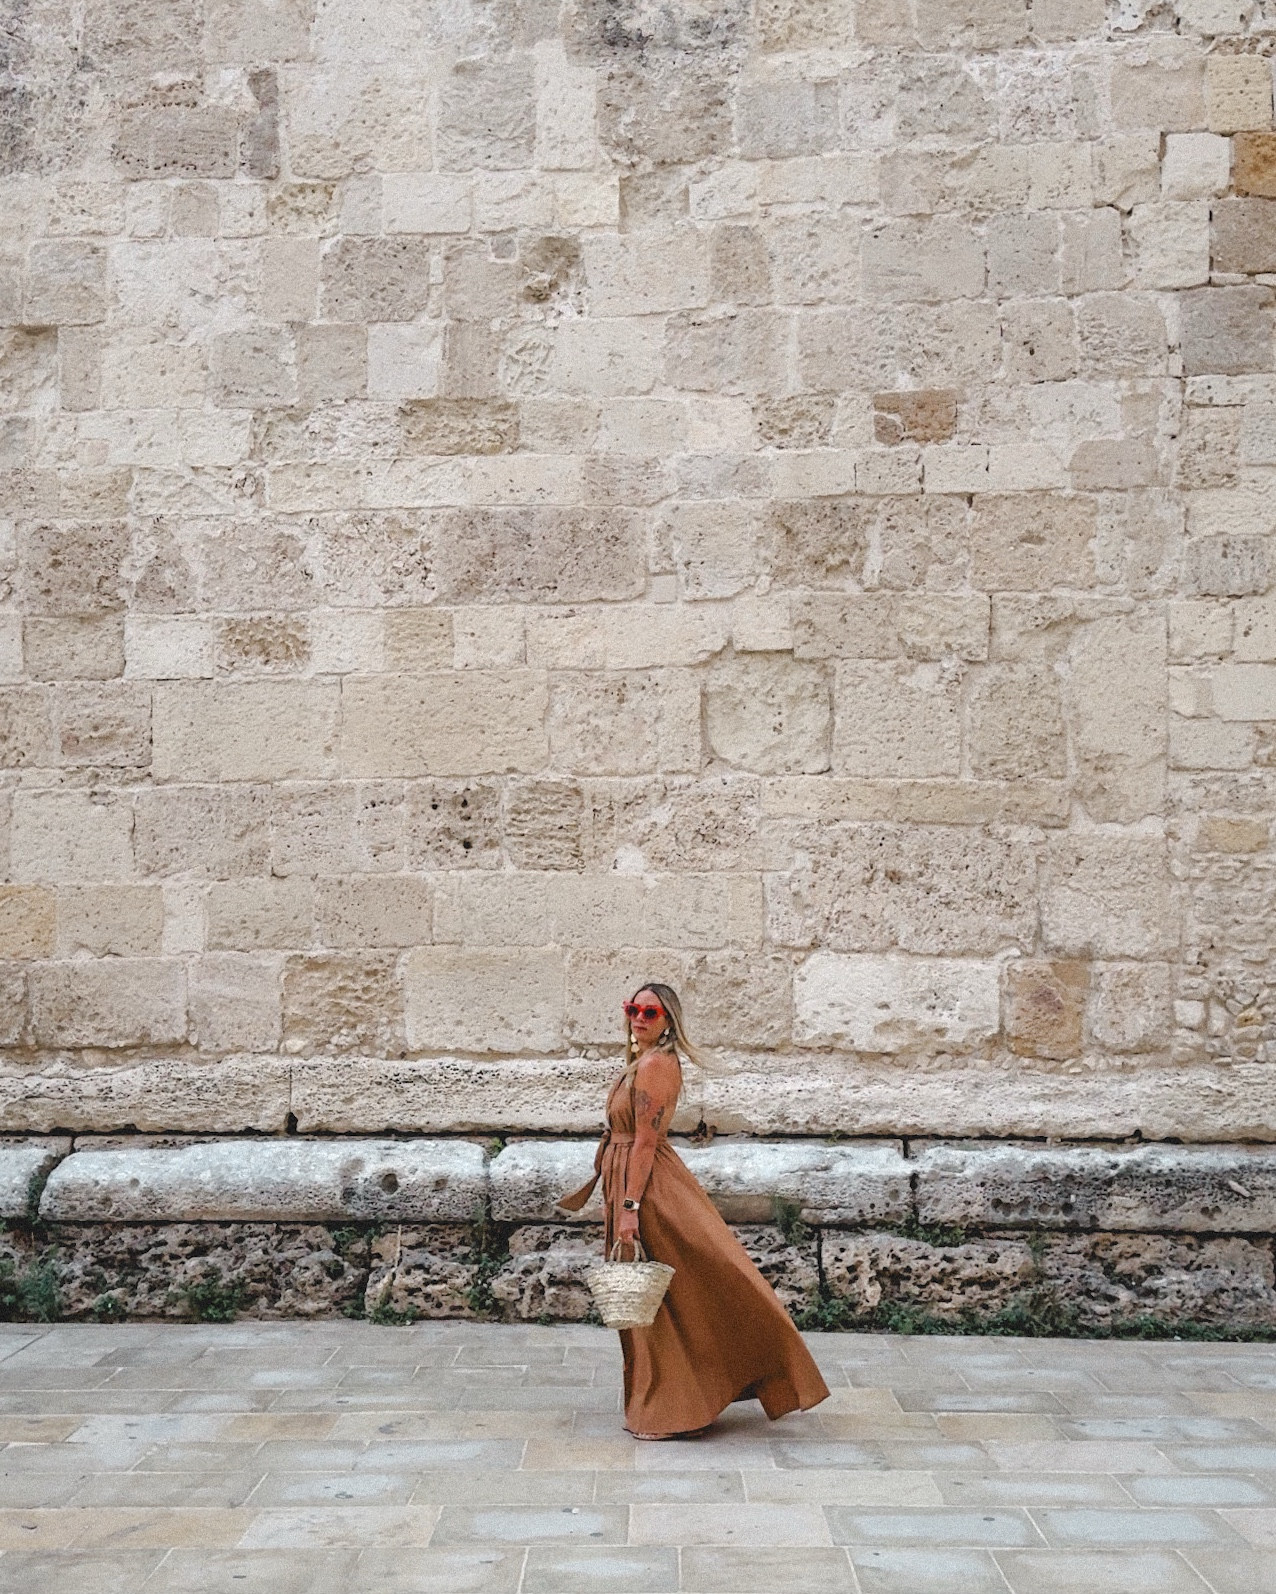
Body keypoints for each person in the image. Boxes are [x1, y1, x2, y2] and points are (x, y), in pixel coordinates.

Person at [557, 982, 829, 1439]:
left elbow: (646, 1141)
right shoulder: (639, 1063)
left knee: (668, 1295)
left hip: (649, 1188)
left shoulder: (658, 1065)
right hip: (629, 1180)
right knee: (661, 1299)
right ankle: (669, 1399)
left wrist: (629, 1208)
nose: (639, 1018)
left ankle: (674, 1406)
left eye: (651, 1012)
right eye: (633, 1008)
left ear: (668, 1022)